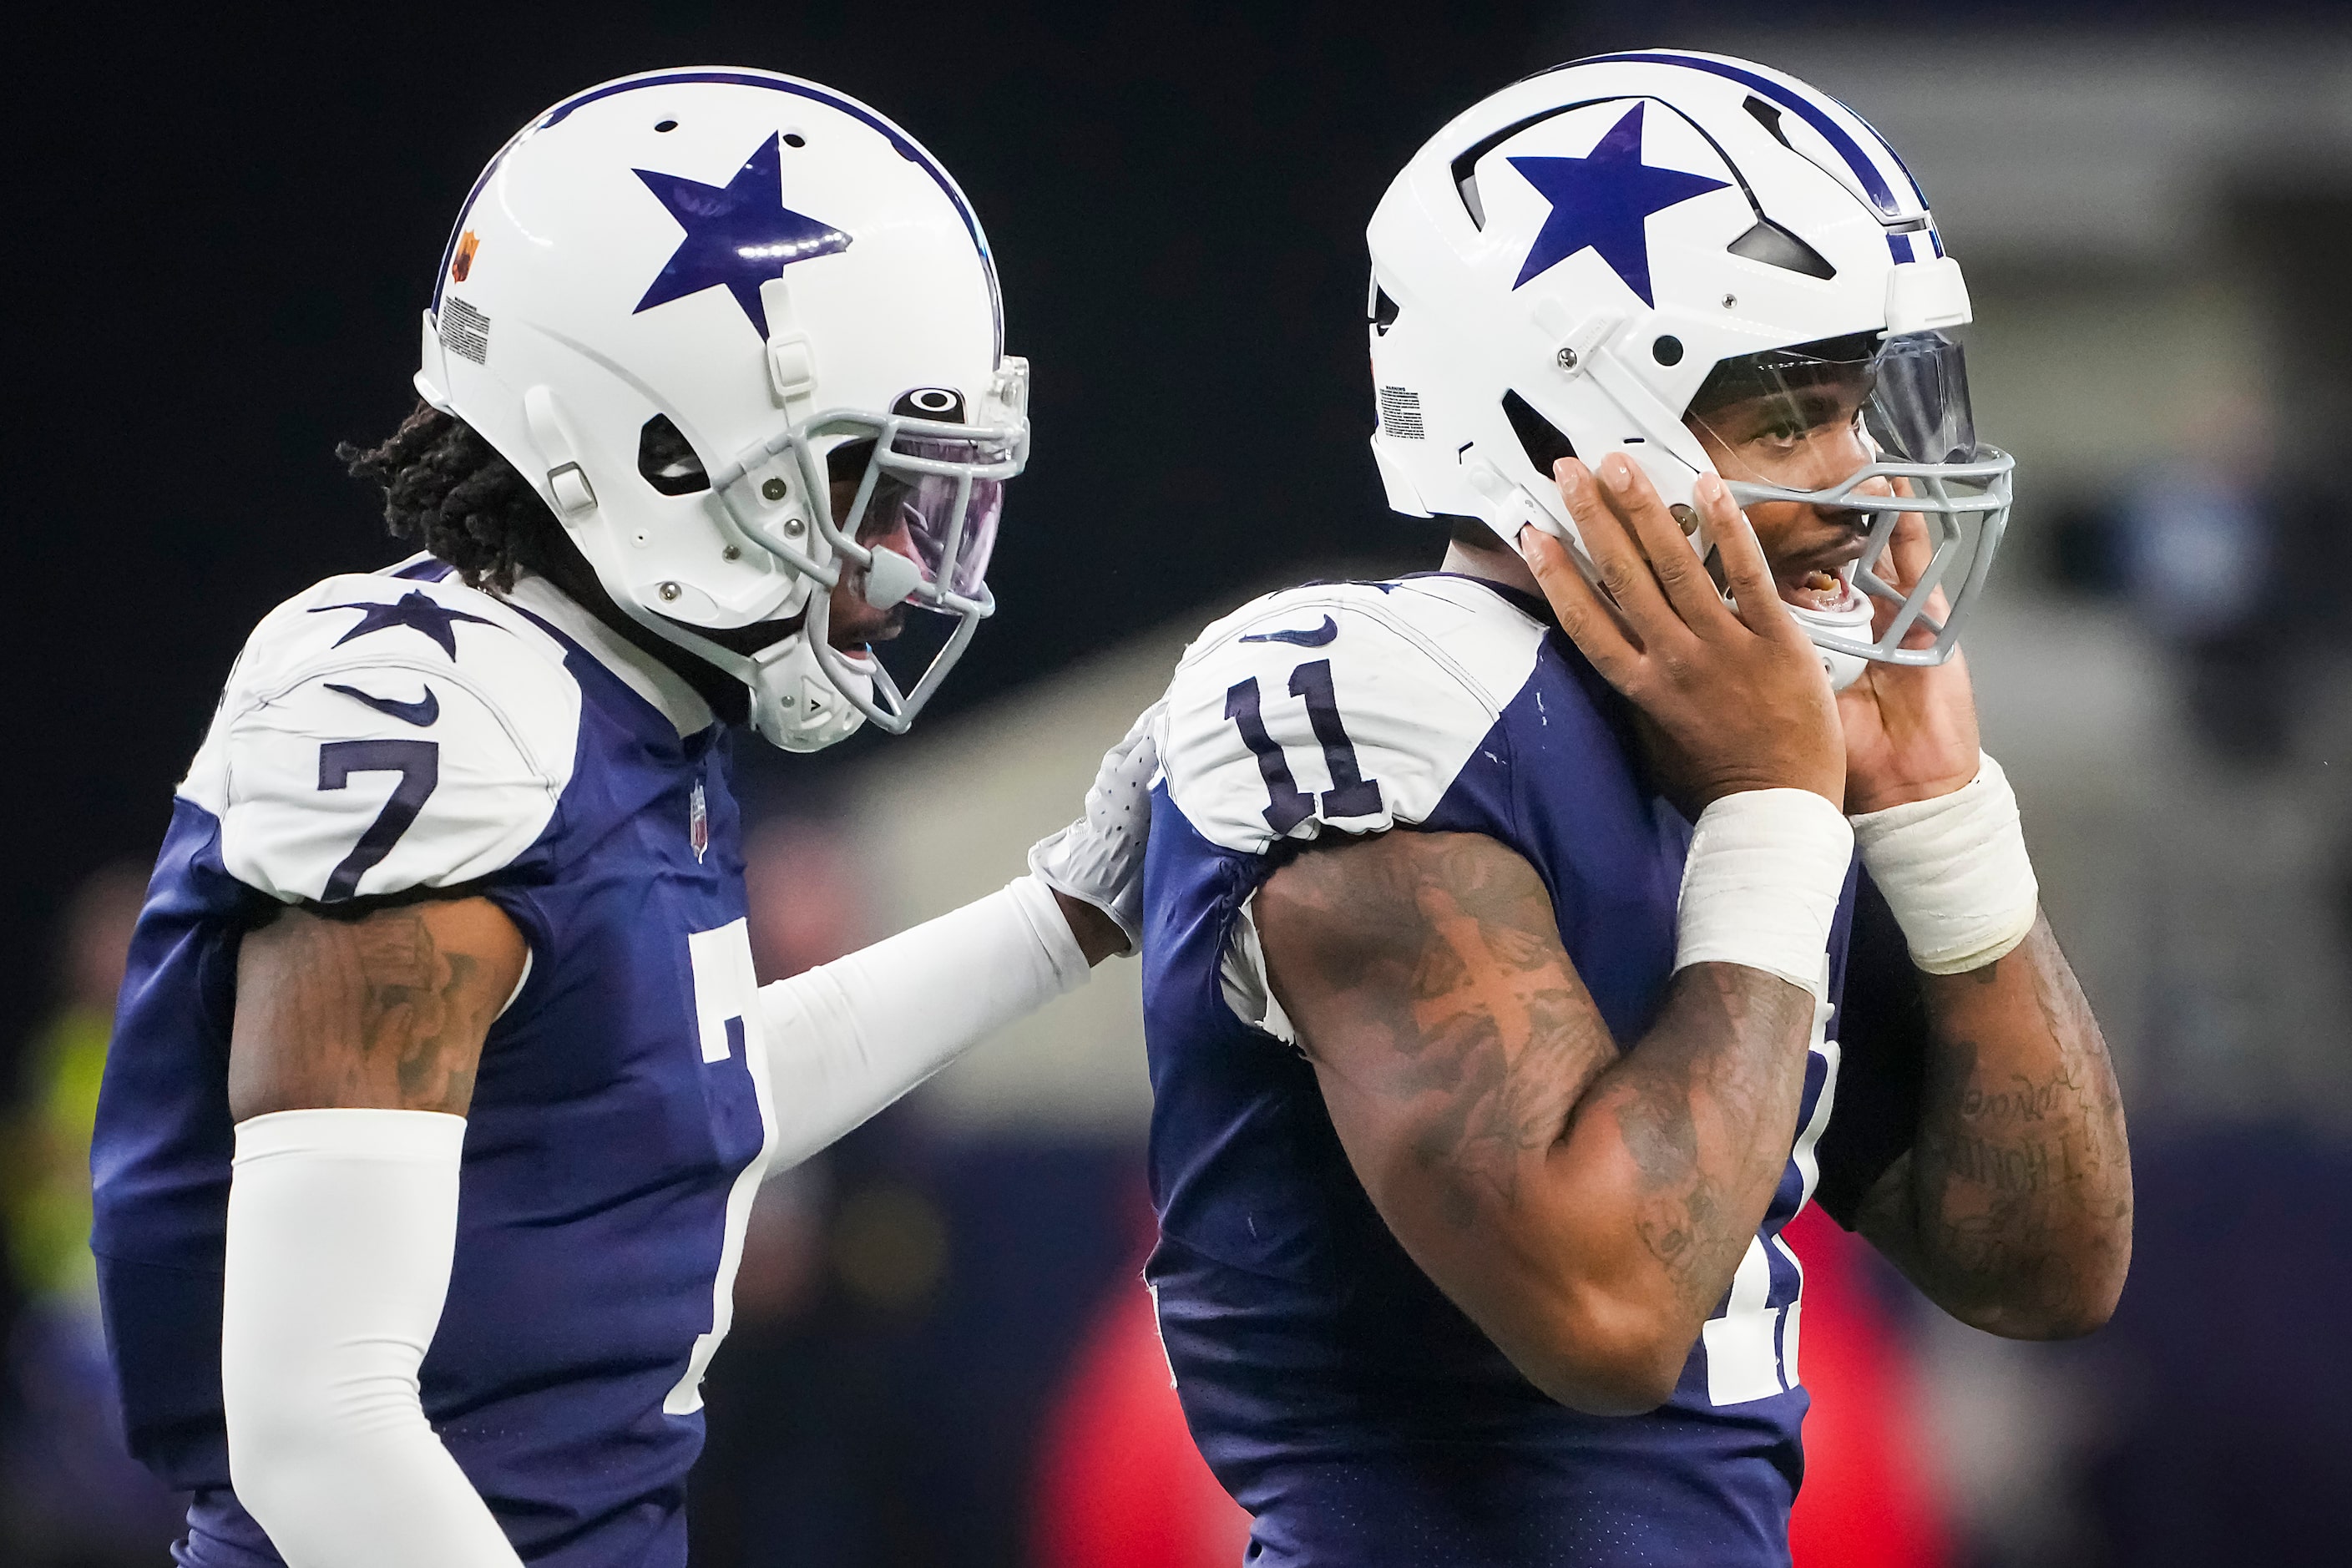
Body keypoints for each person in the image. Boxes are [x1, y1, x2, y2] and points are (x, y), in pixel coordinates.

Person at [90, 68, 1155, 1568]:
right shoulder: (430, 721)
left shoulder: (604, 707)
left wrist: (1067, 911)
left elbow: (666, 1102)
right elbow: (316, 1426)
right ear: (670, 446)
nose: (900, 561)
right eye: (864, 480)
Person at [1138, 50, 2132, 1564]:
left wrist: (1937, 817)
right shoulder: (1397, 703)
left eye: (1860, 406)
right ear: (1559, 433)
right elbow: (1605, 1315)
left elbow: (2045, 1268)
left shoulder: (1739, 737)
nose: (1866, 480)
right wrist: (1774, 814)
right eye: (1790, 413)